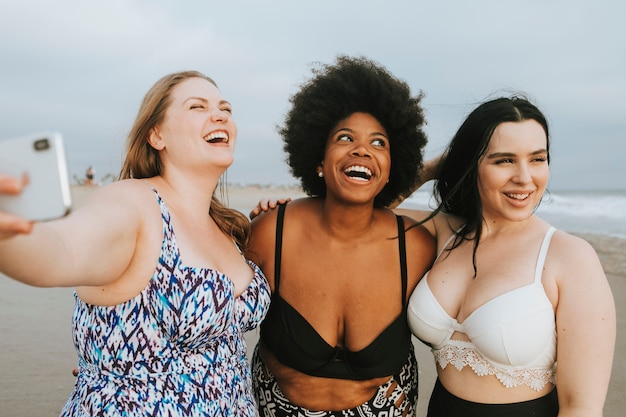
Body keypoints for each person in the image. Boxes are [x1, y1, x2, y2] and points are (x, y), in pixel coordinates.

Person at [0, 71, 271, 416]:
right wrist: (9, 234)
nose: (220, 116)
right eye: (197, 107)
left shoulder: (228, 227)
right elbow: (61, 252)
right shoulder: (133, 205)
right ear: (157, 135)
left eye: (225, 108)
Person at [396, 96, 616, 416]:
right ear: (472, 166)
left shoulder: (570, 256)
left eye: (537, 159)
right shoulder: (442, 232)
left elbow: (581, 407)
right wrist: (431, 169)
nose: (525, 178)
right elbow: (361, 217)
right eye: (505, 160)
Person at [245, 55, 436, 416]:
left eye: (379, 143)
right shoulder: (273, 231)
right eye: (345, 137)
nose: (362, 149)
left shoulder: (415, 245)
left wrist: (439, 168)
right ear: (319, 160)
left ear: (393, 166)